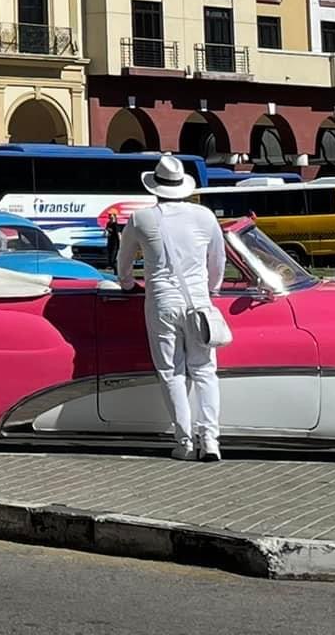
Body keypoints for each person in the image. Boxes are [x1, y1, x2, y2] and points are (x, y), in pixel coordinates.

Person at [115, 154, 226, 462]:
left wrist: (126, 285)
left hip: (162, 302)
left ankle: (185, 441)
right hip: (198, 302)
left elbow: (123, 265)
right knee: (205, 371)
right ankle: (211, 439)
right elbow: (218, 261)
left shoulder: (140, 219)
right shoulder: (205, 216)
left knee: (171, 371)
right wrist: (211, 291)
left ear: (155, 189)